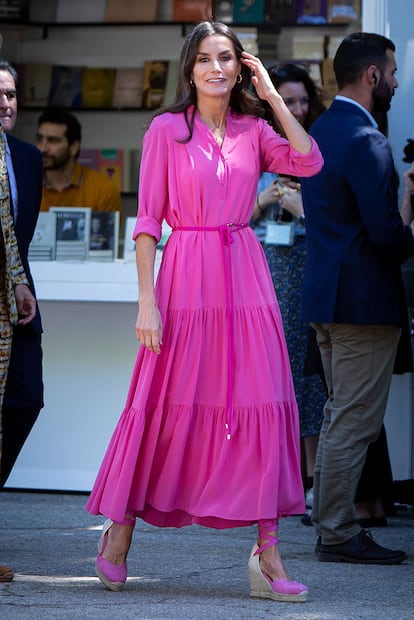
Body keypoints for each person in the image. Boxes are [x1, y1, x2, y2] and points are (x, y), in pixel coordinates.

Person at [86, 21, 323, 602]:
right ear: (189, 69)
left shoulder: (254, 129)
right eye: (205, 59)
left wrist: (270, 94)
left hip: (245, 279)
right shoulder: (167, 130)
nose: (216, 69)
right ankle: (120, 532)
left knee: (259, 403)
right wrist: (147, 302)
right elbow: (146, 224)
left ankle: (267, 556)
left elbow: (308, 160)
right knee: (163, 401)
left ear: (241, 66)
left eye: (227, 59)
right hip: (184, 278)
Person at [301, 32, 414, 564]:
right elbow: (386, 236)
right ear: (371, 75)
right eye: (391, 72)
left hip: (329, 300)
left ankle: (332, 526)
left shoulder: (322, 129)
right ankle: (338, 532)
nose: (394, 80)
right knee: (352, 422)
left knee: (337, 417)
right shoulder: (366, 139)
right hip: (362, 305)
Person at [251, 64, 327, 524]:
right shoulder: (254, 143)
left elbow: (336, 227)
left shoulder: (311, 149)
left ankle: (314, 481)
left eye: (302, 101)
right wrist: (264, 200)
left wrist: (302, 209)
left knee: (309, 376)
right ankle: (271, 480)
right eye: (288, 100)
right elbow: (230, 216)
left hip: (306, 272)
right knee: (265, 379)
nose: (297, 109)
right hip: (261, 275)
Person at [0, 57, 42, 580]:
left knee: (28, 397)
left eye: (10, 93)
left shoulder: (28, 159)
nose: (4, 102)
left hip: (18, 301)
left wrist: (21, 284)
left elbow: (17, 240)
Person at [35, 109, 123, 217]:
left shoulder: (102, 190)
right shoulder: (26, 185)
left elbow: (109, 233)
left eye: (53, 141)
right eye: (39, 139)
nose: (42, 148)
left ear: (74, 147)